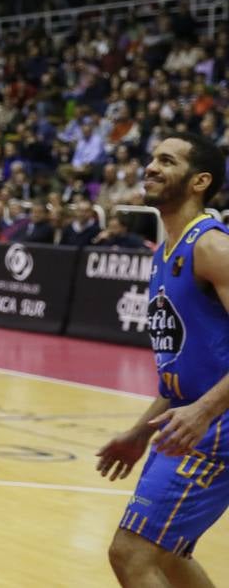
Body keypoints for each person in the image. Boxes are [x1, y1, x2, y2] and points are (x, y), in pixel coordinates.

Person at [97, 132, 229, 585]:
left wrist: (205, 410)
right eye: (152, 158)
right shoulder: (164, 252)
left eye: (167, 161)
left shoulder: (212, 247)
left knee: (130, 553)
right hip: (188, 422)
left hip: (217, 427)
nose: (151, 167)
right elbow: (184, 373)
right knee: (168, 555)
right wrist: (139, 431)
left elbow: (202, 394)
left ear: (199, 181)